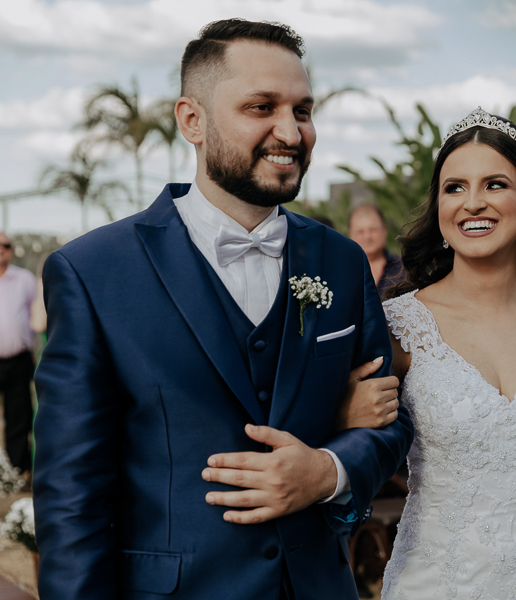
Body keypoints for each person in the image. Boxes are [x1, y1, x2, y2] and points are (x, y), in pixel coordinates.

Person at [32, 19, 413, 600]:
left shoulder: (341, 261)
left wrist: (327, 470)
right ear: (193, 120)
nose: (290, 131)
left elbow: (391, 425)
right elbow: (71, 495)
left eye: (303, 111)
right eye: (261, 107)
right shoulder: (92, 273)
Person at [342, 107, 516, 599]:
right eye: (455, 187)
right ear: (439, 207)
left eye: (495, 184)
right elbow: (343, 436)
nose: (473, 203)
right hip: (434, 585)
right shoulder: (399, 327)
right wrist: (345, 413)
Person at [0, 232, 36, 480]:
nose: (1, 249)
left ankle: (16, 472)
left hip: (18, 360)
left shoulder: (25, 279)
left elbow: (38, 315)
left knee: (18, 417)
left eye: (6, 245)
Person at [348, 203, 404, 298]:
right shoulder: (341, 272)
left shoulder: (404, 269)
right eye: (360, 232)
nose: (367, 237)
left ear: (385, 230)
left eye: (373, 230)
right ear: (350, 234)